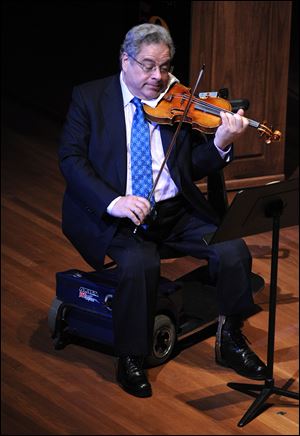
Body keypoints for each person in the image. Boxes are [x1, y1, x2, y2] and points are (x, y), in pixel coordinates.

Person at [58, 23, 267, 398]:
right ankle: (131, 356)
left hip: (174, 210)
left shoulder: (176, 99)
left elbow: (193, 166)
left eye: (165, 67)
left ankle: (231, 338)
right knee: (140, 264)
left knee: (232, 249)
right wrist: (114, 201)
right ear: (125, 60)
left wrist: (220, 143)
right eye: (148, 66)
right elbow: (71, 160)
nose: (158, 77)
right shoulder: (89, 98)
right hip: (117, 213)